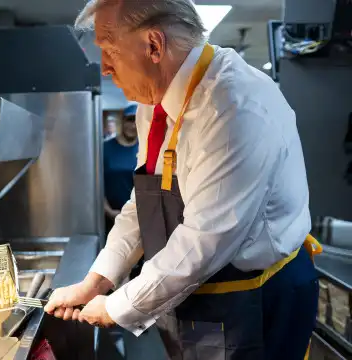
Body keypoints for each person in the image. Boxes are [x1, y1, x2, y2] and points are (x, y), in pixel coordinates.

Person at [44, 1, 322, 359]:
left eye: (109, 50)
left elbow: (206, 240)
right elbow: (143, 204)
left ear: (154, 46)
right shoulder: (154, 101)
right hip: (196, 290)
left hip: (255, 298)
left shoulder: (235, 108)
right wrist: (97, 281)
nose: (105, 68)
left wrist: (118, 307)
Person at [104, 104, 139, 235]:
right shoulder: (105, 149)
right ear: (122, 121)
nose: (134, 125)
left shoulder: (145, 149)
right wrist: (108, 211)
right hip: (110, 217)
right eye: (130, 120)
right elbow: (96, 184)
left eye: (137, 121)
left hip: (138, 219)